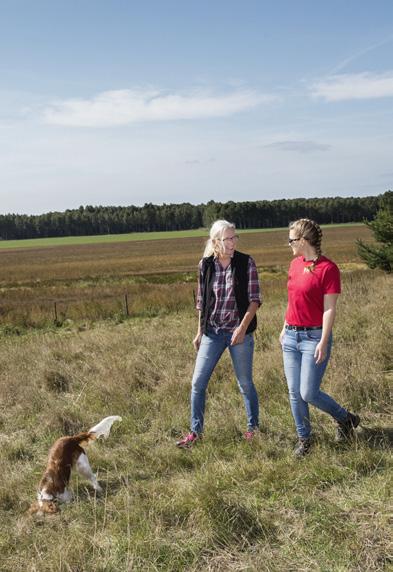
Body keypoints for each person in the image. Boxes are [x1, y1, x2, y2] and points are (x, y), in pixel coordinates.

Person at [176, 220, 261, 448]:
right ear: (215, 242)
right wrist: (199, 333)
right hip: (212, 333)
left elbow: (255, 300)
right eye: (228, 239)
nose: (233, 242)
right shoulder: (205, 265)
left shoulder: (246, 262)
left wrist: (242, 329)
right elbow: (202, 302)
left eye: (235, 238)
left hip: (239, 333)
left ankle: (253, 429)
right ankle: (195, 433)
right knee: (197, 383)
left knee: (245, 383)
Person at [280, 218, 360, 457]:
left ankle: (345, 418)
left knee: (308, 393)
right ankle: (305, 439)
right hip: (292, 336)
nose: (289, 244)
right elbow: (293, 300)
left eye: (292, 239)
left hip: (314, 337)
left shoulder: (329, 269)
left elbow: (329, 309)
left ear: (304, 241)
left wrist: (323, 341)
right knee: (294, 392)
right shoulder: (294, 265)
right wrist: (285, 328)